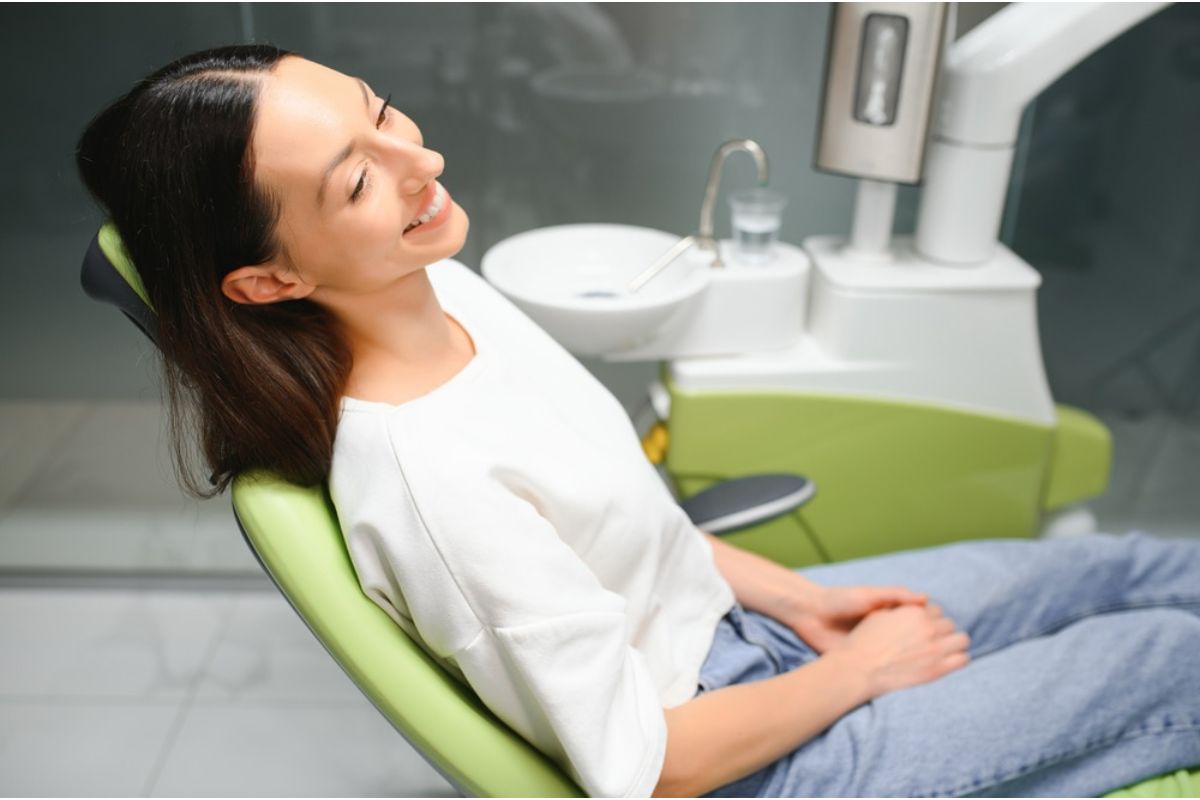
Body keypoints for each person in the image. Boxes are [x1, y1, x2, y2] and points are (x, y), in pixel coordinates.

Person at [74, 44, 1200, 798]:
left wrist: (816, 600)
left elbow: (625, 532)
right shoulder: (427, 484)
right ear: (267, 282)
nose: (420, 163)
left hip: (751, 638)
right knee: (1170, 656)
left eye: (382, 117)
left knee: (1123, 569)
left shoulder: (448, 289)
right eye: (356, 183)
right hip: (747, 761)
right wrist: (857, 672)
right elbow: (647, 767)